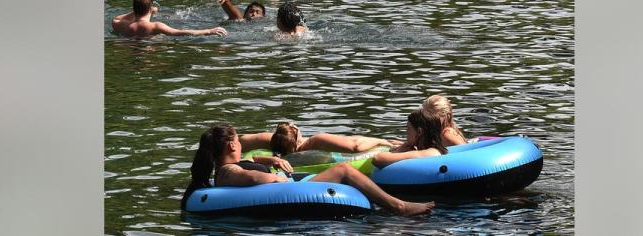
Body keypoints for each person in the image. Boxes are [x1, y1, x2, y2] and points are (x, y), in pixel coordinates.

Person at [180, 125, 434, 215]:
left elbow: (250, 165)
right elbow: (252, 178)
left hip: (288, 182)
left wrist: (270, 161)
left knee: (342, 170)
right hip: (290, 190)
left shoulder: (224, 167)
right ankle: (398, 206)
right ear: (233, 144)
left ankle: (389, 205)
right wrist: (274, 176)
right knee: (344, 169)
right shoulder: (230, 173)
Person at [111, 0, 227, 38]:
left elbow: (116, 18)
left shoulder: (124, 26)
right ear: (150, 9)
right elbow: (180, 32)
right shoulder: (155, 26)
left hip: (131, 46)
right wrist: (208, 30)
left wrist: (135, 11)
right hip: (151, 50)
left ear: (134, 10)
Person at [372, 110, 448, 168]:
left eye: (408, 128)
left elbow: (377, 159)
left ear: (419, 132)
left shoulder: (427, 153)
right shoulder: (437, 150)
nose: (406, 131)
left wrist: (400, 150)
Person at [269, 122, 398, 156]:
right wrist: (381, 141)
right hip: (374, 149)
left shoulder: (286, 156)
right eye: (295, 128)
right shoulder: (316, 141)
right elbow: (355, 147)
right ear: (296, 139)